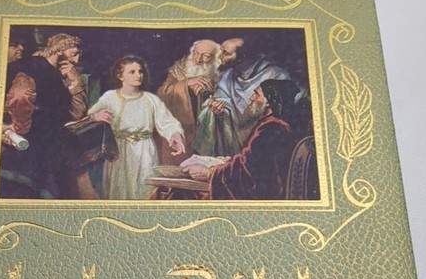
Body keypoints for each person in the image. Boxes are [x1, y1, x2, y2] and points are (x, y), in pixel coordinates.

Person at [88, 55, 185, 200]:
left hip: (145, 151)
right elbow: (90, 116)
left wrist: (175, 134)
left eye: (140, 71)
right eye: (132, 72)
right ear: (120, 76)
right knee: (119, 191)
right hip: (118, 150)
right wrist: (95, 116)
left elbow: (167, 122)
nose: (138, 75)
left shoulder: (150, 99)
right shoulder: (110, 97)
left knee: (145, 189)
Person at [181, 80, 291, 200]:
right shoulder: (271, 124)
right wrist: (230, 161)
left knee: (183, 193)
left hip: (261, 197)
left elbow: (249, 171)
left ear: (268, 102)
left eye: (256, 94)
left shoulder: (272, 128)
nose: (251, 98)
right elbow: (252, 159)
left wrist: (210, 172)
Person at [0, 43, 73, 199]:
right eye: (73, 54)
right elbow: (21, 96)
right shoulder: (37, 68)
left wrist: (18, 128)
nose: (76, 60)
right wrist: (17, 128)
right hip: (35, 141)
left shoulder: (45, 71)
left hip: (38, 140)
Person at [193, 37, 292, 156]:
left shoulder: (276, 75)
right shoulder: (225, 77)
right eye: (221, 51)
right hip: (232, 142)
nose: (219, 57)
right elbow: (220, 103)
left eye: (226, 53)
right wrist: (218, 111)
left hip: (262, 138)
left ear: (242, 56)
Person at [155, 39, 220, 160]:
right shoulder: (178, 70)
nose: (198, 59)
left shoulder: (219, 73)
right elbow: (162, 93)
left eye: (206, 56)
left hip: (207, 132)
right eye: (196, 53)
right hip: (182, 128)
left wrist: (210, 97)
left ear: (215, 58)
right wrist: (187, 84)